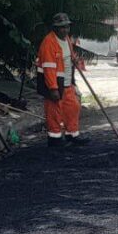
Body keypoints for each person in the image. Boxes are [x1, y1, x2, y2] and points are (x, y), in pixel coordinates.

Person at [37, 13, 88, 147]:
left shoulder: (67, 40)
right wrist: (53, 88)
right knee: (54, 112)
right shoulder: (49, 43)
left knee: (73, 107)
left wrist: (74, 61)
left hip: (67, 82)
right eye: (61, 27)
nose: (65, 30)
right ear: (55, 28)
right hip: (54, 84)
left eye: (66, 27)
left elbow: (68, 58)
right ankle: (54, 139)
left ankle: (72, 134)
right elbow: (49, 68)